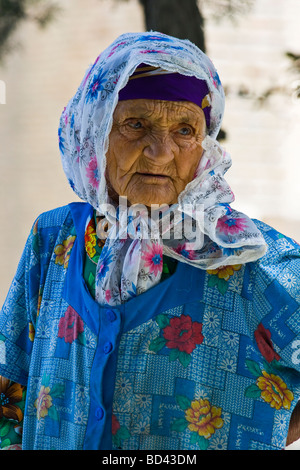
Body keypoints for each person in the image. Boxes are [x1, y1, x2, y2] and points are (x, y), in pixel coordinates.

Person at [0, 31, 300, 451]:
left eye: (184, 130)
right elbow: (8, 378)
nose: (160, 151)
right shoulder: (53, 240)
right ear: (94, 133)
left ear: (203, 146)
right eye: (135, 124)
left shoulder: (250, 257)